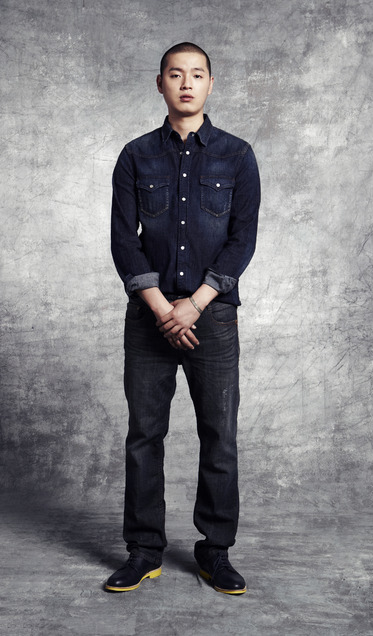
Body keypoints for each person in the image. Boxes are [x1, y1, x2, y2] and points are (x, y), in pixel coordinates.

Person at [106, 42, 260, 595]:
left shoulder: (238, 155)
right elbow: (124, 240)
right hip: (149, 317)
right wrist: (160, 306)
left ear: (211, 84)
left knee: (219, 435)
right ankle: (144, 550)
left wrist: (194, 303)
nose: (186, 83)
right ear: (160, 83)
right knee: (144, 435)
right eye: (176, 74)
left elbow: (242, 239)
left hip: (212, 317)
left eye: (197, 75)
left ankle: (214, 551)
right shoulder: (135, 155)